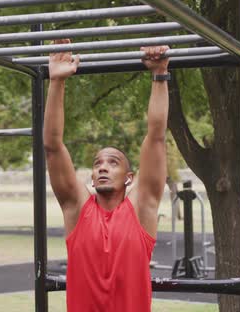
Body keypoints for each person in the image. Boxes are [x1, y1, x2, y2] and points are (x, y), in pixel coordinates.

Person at [43, 38, 170, 312]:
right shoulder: (77, 209)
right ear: (91, 177)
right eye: (98, 163)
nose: (102, 167)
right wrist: (57, 82)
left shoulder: (141, 208)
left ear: (129, 177)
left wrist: (159, 75)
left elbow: (156, 137)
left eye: (113, 163)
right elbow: (53, 147)